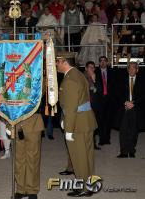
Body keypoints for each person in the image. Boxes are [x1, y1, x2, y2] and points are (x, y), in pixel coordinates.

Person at [56, 54, 97, 197]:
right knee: (87, 156)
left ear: (64, 62)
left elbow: (71, 107)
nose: (56, 64)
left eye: (58, 61)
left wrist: (68, 128)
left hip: (77, 124)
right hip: (85, 120)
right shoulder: (78, 74)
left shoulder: (70, 80)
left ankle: (83, 188)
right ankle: (89, 185)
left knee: (79, 157)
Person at [114, 62, 145, 158]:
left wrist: (133, 103)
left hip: (136, 109)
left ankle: (131, 151)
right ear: (127, 69)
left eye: (134, 68)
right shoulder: (121, 80)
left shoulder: (142, 81)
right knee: (123, 131)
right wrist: (125, 102)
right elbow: (117, 93)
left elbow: (143, 95)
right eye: (130, 68)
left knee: (134, 131)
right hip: (124, 108)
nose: (131, 70)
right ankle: (123, 152)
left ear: (137, 70)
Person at [94, 56, 114, 145]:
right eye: (101, 61)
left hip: (109, 100)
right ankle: (102, 139)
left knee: (108, 120)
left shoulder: (112, 72)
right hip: (99, 100)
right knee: (100, 120)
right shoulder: (95, 72)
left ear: (107, 62)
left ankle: (107, 139)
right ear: (99, 63)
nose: (102, 63)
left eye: (104, 61)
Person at [84, 61, 101, 150]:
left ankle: (93, 144)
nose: (92, 69)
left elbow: (100, 90)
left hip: (94, 105)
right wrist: (92, 88)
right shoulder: (82, 77)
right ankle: (87, 144)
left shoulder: (96, 76)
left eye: (93, 67)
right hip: (85, 105)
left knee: (93, 125)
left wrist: (94, 80)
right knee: (86, 126)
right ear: (86, 68)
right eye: (90, 67)